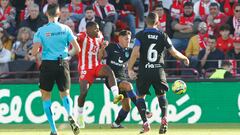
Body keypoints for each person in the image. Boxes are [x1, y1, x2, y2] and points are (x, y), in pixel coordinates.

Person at [127, 12, 189, 134]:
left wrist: (130, 69)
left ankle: (145, 123)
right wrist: (184, 58)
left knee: (140, 97)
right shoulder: (163, 35)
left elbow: (135, 53)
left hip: (144, 70)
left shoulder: (140, 35)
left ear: (146, 22)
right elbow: (174, 52)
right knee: (161, 95)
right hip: (158, 70)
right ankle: (164, 118)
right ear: (158, 22)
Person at [31, 3, 80, 135]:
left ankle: (53, 130)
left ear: (47, 14)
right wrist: (67, 55)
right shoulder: (65, 29)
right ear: (59, 14)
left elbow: (35, 51)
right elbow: (77, 48)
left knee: (46, 97)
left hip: (48, 64)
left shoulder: (41, 30)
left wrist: (32, 52)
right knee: (65, 94)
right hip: (63, 63)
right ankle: (70, 115)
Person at [76, 21, 124, 128]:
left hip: (96, 65)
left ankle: (116, 95)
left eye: (98, 28)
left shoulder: (100, 36)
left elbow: (101, 57)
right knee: (83, 93)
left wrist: (103, 47)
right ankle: (79, 115)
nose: (98, 30)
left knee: (108, 71)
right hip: (85, 68)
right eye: (95, 29)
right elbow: (75, 38)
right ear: (88, 30)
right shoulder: (82, 36)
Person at [103, 30, 152, 128]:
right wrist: (102, 47)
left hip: (122, 78)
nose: (128, 41)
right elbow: (102, 56)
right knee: (128, 86)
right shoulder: (111, 47)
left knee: (126, 107)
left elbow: (140, 55)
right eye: (126, 39)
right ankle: (143, 110)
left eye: (129, 40)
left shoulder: (129, 51)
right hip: (111, 79)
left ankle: (116, 124)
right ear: (120, 38)